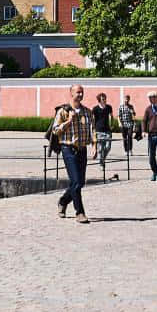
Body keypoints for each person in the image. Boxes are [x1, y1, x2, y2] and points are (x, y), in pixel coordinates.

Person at [49, 84, 95, 223]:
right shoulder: (63, 111)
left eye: (82, 92)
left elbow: (92, 129)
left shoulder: (87, 111)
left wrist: (95, 145)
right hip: (68, 149)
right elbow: (56, 130)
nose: (80, 95)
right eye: (77, 92)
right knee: (75, 181)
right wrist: (69, 121)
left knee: (80, 182)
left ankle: (63, 201)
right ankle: (79, 212)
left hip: (82, 149)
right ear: (71, 93)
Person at [91, 92, 114, 165]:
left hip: (107, 131)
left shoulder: (109, 107)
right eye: (103, 99)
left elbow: (112, 116)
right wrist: (92, 129)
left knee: (108, 147)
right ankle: (102, 161)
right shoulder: (95, 109)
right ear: (99, 100)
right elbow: (93, 119)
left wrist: (112, 124)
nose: (105, 100)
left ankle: (102, 159)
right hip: (98, 131)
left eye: (105, 99)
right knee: (100, 149)